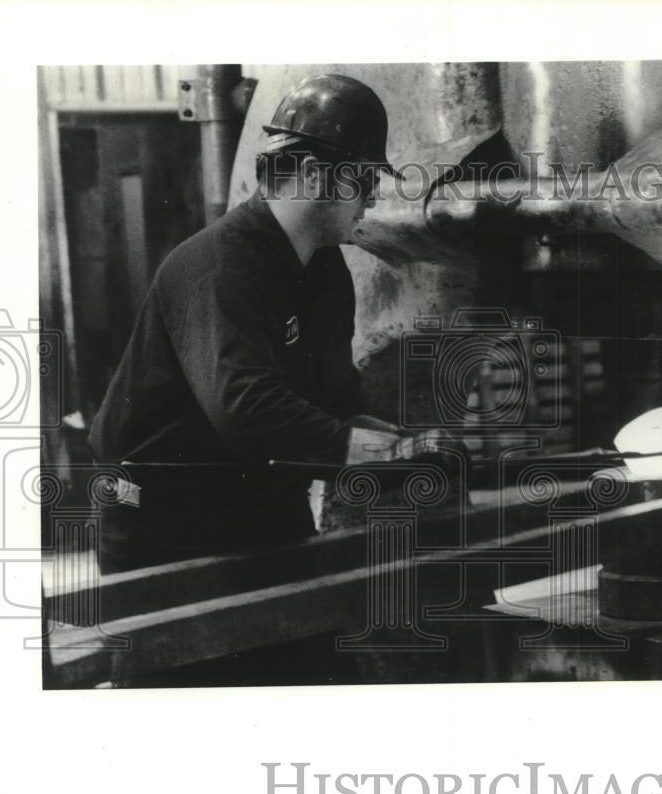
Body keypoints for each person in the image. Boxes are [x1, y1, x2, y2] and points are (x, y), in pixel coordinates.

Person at [89, 73, 449, 574]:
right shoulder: (219, 266)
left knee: (306, 640)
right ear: (312, 175)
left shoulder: (325, 270)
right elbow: (244, 406)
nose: (372, 197)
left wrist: (400, 446)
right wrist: (347, 445)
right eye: (364, 179)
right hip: (165, 524)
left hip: (256, 502)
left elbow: (333, 401)